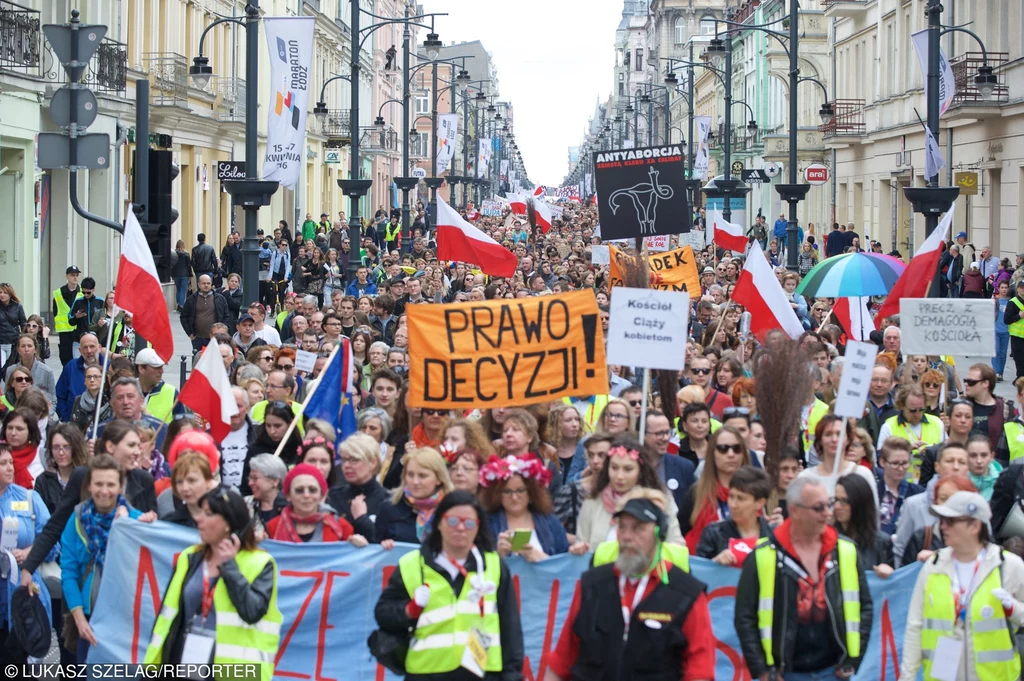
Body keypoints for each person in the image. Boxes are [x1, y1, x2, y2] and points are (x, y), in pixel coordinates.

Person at [543, 496, 716, 681]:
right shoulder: (592, 583)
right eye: (622, 527)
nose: (626, 536)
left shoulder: (686, 593)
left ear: (659, 534)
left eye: (638, 528)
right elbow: (563, 657)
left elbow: (700, 668)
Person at [373, 490, 523, 679]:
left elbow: (510, 626)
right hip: (426, 672)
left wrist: (512, 675)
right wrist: (409, 611)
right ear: (439, 523)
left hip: (482, 673)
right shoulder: (412, 564)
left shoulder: (494, 565)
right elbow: (382, 614)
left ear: (478, 527)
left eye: (469, 523)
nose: (461, 528)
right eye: (453, 521)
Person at [735, 477, 872, 681]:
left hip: (834, 671)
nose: (828, 513)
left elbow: (865, 607)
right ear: (795, 510)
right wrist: (763, 671)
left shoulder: (846, 551)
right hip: (785, 673)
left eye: (829, 504)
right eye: (818, 508)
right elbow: (744, 617)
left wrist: (853, 660)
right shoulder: (764, 555)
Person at [143, 486, 282, 679]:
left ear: (228, 522)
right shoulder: (189, 558)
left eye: (208, 514)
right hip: (183, 665)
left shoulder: (260, 563)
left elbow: (252, 612)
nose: (199, 519)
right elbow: (169, 617)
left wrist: (230, 568)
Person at [899, 492, 1024, 681]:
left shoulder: (1008, 565)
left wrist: (1013, 608)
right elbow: (915, 626)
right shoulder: (933, 566)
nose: (942, 527)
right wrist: (907, 677)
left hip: (995, 676)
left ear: (974, 525)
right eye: (942, 520)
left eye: (951, 521)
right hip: (943, 674)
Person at [61, 454, 157, 662]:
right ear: (89, 485)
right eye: (99, 484)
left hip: (126, 621)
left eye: (111, 484)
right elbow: (68, 573)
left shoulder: (137, 521)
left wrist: (151, 527)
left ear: (121, 486)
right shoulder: (76, 519)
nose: (104, 491)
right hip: (89, 619)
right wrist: (79, 620)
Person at [0, 443, 57, 661]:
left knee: (19, 665)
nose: (10, 468)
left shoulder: (28, 498)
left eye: (10, 463)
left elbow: (51, 540)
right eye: (2, 463)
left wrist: (29, 554)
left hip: (24, 596)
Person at [576, 435, 684, 548]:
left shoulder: (661, 501)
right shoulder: (592, 502)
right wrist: (580, 549)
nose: (619, 476)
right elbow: (582, 542)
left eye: (628, 469)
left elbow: (676, 544)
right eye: (614, 467)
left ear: (640, 471)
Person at [480, 454, 579, 560]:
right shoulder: (487, 524)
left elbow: (562, 564)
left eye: (520, 490)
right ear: (497, 495)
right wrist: (499, 555)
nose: (514, 497)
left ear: (531, 493)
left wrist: (537, 556)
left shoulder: (550, 521)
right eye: (507, 492)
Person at [894, 441, 970, 566]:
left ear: (968, 468)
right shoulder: (914, 505)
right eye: (949, 461)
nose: (955, 467)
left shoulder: (976, 506)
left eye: (962, 462)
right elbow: (900, 550)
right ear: (937, 466)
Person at [680, 426, 750, 552]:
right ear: (712, 453)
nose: (731, 454)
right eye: (723, 449)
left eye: (736, 448)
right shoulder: (696, 493)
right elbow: (680, 534)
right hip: (704, 565)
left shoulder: (754, 491)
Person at [265, 463, 367, 545]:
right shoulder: (272, 527)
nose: (306, 495)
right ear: (288, 496)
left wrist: (358, 546)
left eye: (312, 490)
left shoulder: (341, 526)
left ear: (322, 495)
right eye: (299, 490)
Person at [374, 447, 454, 547]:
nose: (415, 482)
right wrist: (383, 546)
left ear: (439, 479)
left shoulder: (452, 510)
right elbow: (375, 549)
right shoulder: (389, 508)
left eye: (422, 476)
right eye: (410, 475)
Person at [696, 466, 773, 566]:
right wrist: (715, 563)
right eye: (731, 496)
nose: (733, 504)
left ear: (760, 503)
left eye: (741, 499)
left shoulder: (773, 534)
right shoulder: (714, 533)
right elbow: (698, 572)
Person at [326, 432, 389, 540]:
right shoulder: (333, 496)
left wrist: (362, 519)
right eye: (344, 460)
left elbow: (387, 544)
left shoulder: (388, 501)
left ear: (373, 462)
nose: (346, 465)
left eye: (354, 460)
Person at [877, 383, 945, 480]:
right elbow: (881, 459)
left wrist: (933, 451)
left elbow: (947, 453)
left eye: (921, 409)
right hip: (902, 484)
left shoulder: (937, 423)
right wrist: (905, 450)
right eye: (912, 410)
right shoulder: (889, 426)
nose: (917, 414)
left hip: (930, 483)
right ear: (902, 406)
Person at [834, 474, 893, 577]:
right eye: (836, 500)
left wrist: (889, 573)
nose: (837, 506)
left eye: (845, 501)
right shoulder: (827, 540)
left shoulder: (882, 543)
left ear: (860, 503)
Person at [35, 424, 89, 514]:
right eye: (56, 447)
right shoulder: (43, 480)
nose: (61, 452)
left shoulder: (86, 478)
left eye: (66, 447)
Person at [875, 437, 924, 535]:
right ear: (882, 462)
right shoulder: (872, 492)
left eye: (905, 463)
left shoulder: (919, 493)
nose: (901, 468)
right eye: (895, 463)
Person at [243, 453, 288, 540]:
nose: (250, 483)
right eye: (250, 478)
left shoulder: (289, 507)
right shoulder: (244, 504)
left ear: (275, 481)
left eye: (255, 478)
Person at [181, 274, 229, 352]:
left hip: (216, 338)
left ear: (211, 284)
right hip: (198, 338)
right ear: (199, 284)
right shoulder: (191, 299)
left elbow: (226, 316)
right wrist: (190, 333)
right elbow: (183, 316)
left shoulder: (220, 299)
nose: (206, 285)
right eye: (203, 283)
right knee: (198, 361)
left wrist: (223, 332)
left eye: (208, 283)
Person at [5, 334, 56, 407]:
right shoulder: (11, 370)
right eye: (23, 346)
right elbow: (7, 396)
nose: (26, 349)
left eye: (29, 346)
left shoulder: (47, 371)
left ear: (35, 349)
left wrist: (45, 417)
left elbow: (53, 399)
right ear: (18, 350)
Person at [54, 266, 83, 365]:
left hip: (78, 330)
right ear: (67, 276)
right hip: (64, 332)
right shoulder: (58, 293)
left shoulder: (82, 292)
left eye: (77, 275)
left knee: (78, 358)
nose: (75, 277)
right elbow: (55, 311)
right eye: (72, 275)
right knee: (65, 359)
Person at [1006, 279, 1024, 383]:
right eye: (1022, 288)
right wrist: (1019, 316)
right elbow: (1007, 319)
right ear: (1018, 289)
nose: (1023, 290)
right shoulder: (1013, 302)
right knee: (1021, 365)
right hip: (1017, 337)